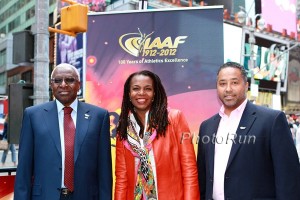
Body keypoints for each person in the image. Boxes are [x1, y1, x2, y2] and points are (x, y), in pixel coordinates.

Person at [197, 62, 300, 200]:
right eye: (222, 84)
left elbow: (288, 178)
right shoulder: (206, 126)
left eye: (234, 83)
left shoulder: (271, 120)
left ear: (246, 86)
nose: (228, 89)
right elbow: (203, 178)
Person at [14, 63, 112, 200]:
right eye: (57, 80)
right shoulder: (33, 115)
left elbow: (104, 170)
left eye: (70, 80)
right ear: (51, 85)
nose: (63, 84)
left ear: (79, 85)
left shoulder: (99, 116)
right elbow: (24, 169)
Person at [114, 70, 200, 199]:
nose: (141, 93)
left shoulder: (174, 118)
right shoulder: (124, 128)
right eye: (136, 89)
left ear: (154, 94)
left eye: (147, 89)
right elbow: (122, 178)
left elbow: (189, 170)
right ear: (129, 94)